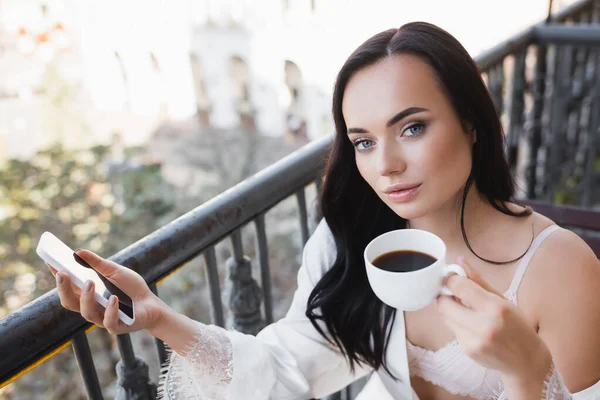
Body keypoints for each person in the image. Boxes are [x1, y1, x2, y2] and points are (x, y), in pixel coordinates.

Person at [48, 22, 600, 399]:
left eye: (412, 127)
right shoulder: (355, 239)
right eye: (362, 141)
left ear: (472, 124)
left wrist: (528, 372)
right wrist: (159, 318)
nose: (385, 165)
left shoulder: (560, 270)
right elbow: (288, 368)